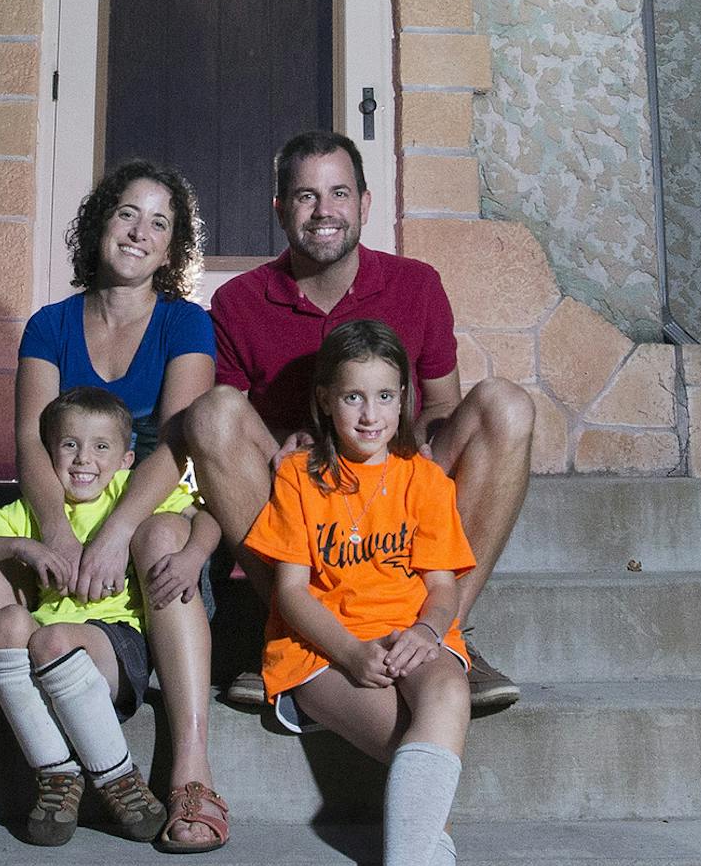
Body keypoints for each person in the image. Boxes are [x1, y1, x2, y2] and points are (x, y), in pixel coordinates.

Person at [0, 161, 228, 863]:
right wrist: (53, 533)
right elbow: (31, 441)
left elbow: (177, 446)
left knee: (156, 535)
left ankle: (190, 775)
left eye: (160, 222)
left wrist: (115, 533)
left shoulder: (186, 324)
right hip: (66, 508)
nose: (140, 232)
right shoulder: (51, 325)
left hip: (150, 506)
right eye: (127, 213)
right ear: (99, 223)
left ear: (174, 246)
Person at [181, 130, 532, 712]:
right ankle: (294, 635)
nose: (324, 212)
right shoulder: (240, 302)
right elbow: (229, 432)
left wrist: (408, 443)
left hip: (394, 484)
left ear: (365, 204)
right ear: (280, 209)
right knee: (212, 411)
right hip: (298, 496)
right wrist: (280, 444)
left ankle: (443, 641)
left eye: (339, 193)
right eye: (305, 196)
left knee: (507, 404)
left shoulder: (416, 284)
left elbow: (444, 406)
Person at [245, 320, 473, 866]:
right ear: (325, 399)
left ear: (405, 399)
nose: (370, 415)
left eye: (385, 396)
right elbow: (291, 594)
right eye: (353, 397)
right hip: (322, 648)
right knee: (419, 757)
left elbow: (443, 588)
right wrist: (347, 652)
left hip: (412, 634)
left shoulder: (424, 480)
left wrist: (427, 633)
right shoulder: (298, 476)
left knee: (449, 690)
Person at [0, 388, 218, 845]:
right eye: (69, 445)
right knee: (4, 625)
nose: (83, 460)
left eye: (101, 447)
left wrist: (193, 555)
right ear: (50, 454)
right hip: (47, 648)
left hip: (115, 646)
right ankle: (57, 773)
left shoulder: (126, 495)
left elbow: (206, 517)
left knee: (53, 640)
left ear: (125, 459)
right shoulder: (34, 512)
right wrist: (20, 546)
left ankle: (118, 776)